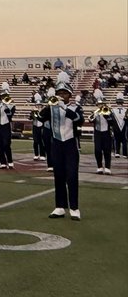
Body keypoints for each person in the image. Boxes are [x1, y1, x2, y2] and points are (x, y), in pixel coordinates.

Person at [42, 74, 82, 220]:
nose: (61, 96)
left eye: (64, 93)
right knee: (58, 176)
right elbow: (40, 118)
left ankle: (74, 208)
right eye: (59, 93)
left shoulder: (75, 108)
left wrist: (64, 107)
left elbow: (79, 120)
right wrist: (50, 105)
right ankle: (59, 206)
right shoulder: (52, 108)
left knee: (71, 176)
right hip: (57, 144)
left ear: (69, 95)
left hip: (70, 145)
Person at [0, 82, 16, 170]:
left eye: (5, 95)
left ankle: (10, 161)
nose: (4, 97)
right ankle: (2, 162)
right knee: (0, 145)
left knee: (7, 144)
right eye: (2, 96)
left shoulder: (12, 105)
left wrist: (6, 106)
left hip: (6, 125)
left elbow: (10, 115)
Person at [90, 89, 112, 174]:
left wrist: (106, 116)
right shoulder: (95, 112)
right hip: (98, 133)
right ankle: (99, 167)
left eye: (102, 104)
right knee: (97, 150)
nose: (100, 105)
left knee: (107, 150)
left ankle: (107, 167)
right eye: (99, 104)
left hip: (106, 132)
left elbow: (112, 122)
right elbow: (90, 120)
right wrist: (95, 116)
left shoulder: (109, 111)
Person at [111, 94, 127, 161]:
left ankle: (117, 152)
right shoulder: (126, 110)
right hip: (124, 127)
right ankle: (125, 154)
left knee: (116, 140)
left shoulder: (113, 110)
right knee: (124, 141)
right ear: (123, 102)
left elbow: (111, 120)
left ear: (116, 102)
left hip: (116, 127)